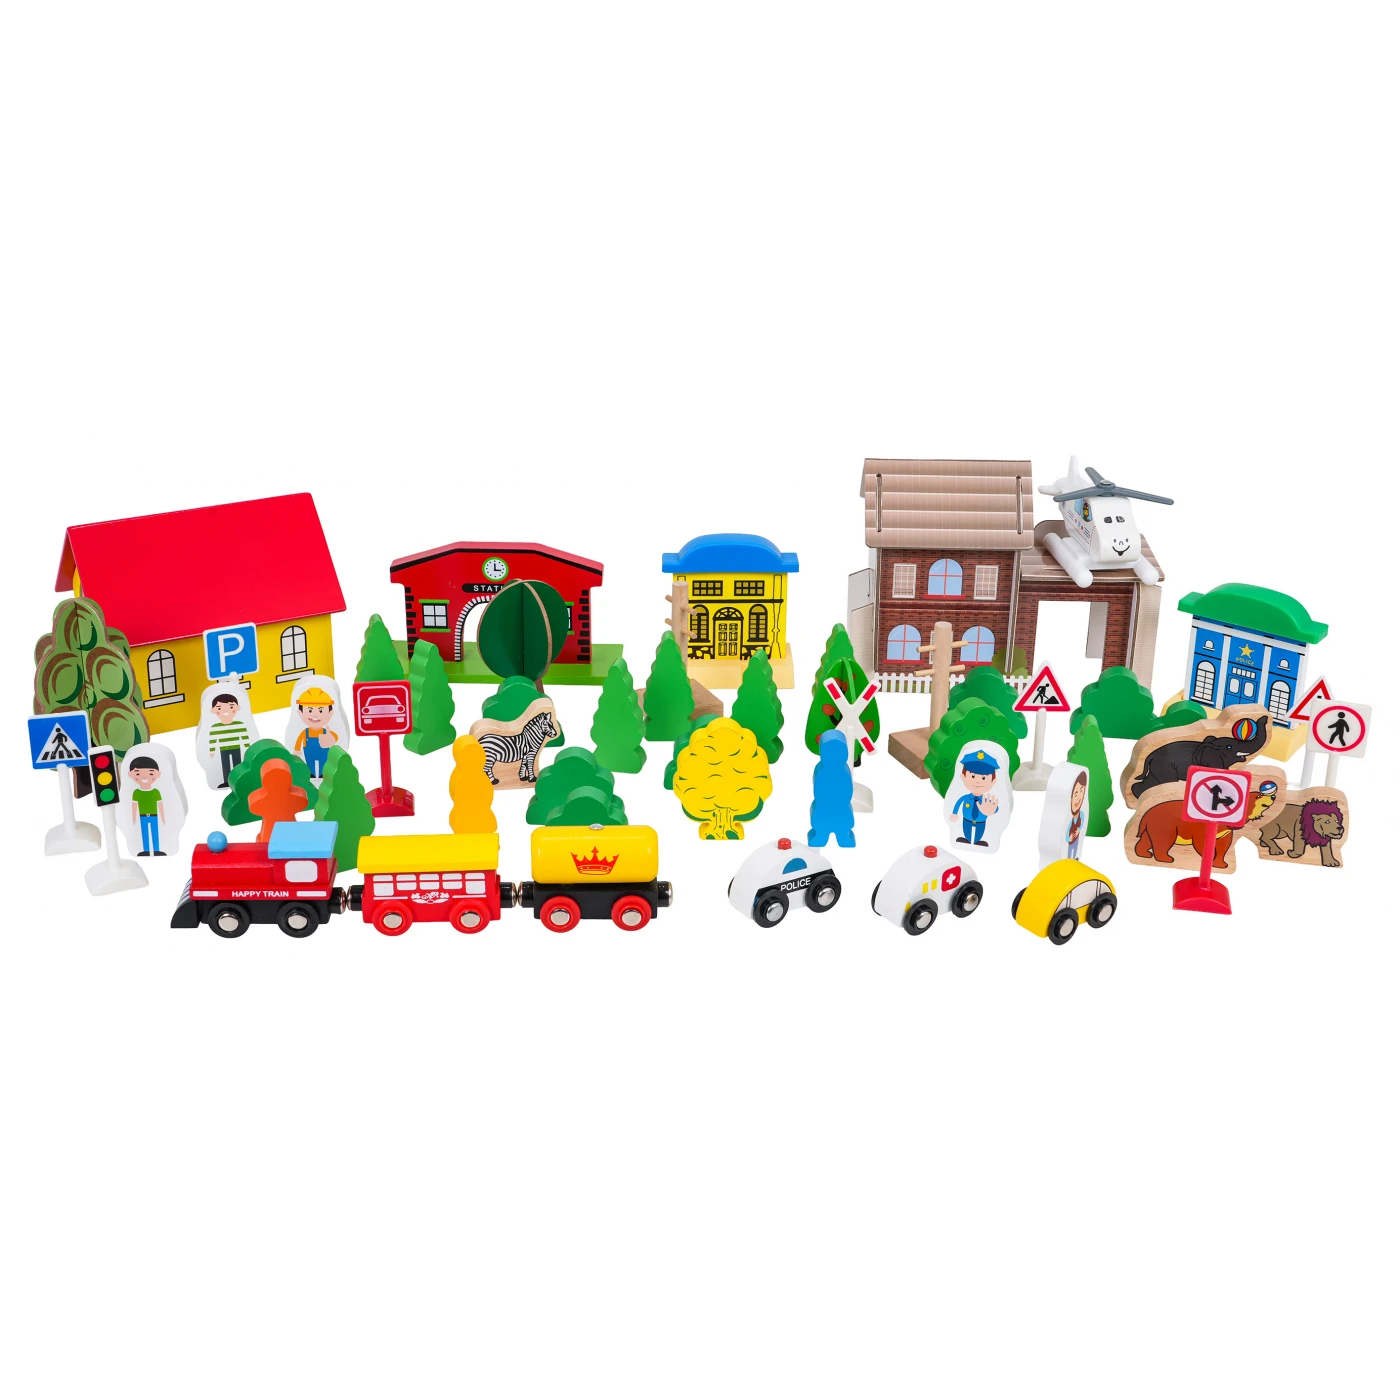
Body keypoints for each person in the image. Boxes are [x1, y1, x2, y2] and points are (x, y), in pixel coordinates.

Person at [951, 748, 1001, 847]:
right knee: (967, 829)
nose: (978, 781)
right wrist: (954, 813)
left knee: (980, 831)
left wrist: (992, 810)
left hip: (981, 821)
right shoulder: (965, 797)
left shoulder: (986, 800)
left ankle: (977, 841)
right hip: (967, 820)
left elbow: (994, 806)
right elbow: (958, 802)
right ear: (963, 777)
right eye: (973, 776)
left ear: (993, 781)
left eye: (983, 778)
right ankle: (967, 839)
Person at [292, 686, 341, 779]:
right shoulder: (305, 732)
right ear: (300, 713)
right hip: (309, 750)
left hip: (323, 751)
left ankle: (323, 773)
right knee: (310, 762)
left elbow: (335, 737)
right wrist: (297, 750)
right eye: (310, 710)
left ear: (330, 713)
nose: (315, 715)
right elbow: (299, 739)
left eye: (320, 710)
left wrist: (331, 739)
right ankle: (312, 774)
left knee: (324, 761)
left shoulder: (326, 731)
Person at [207, 692, 251, 788]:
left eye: (231, 707)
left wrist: (248, 747)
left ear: (237, 708)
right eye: (219, 708)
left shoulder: (239, 724)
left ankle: (239, 780)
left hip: (236, 748)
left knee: (237, 764)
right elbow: (213, 740)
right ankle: (226, 781)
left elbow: (244, 736)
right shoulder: (215, 727)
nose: (226, 710)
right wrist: (212, 751)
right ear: (213, 710)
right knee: (225, 765)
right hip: (223, 749)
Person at [128, 755, 167, 856]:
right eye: (138, 773)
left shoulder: (156, 792)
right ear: (131, 775)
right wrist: (133, 817)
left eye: (150, 773)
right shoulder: (136, 792)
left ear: (157, 774)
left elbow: (160, 804)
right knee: (144, 833)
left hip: (154, 815)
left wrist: (163, 816)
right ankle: (146, 850)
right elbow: (134, 806)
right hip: (142, 816)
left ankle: (156, 850)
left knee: (155, 832)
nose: (145, 777)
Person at [1064, 769, 1088, 860]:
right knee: (1070, 851)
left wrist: (1078, 830)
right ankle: (1069, 860)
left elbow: (1082, 823)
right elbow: (1067, 830)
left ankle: (1074, 859)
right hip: (1071, 840)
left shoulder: (1081, 814)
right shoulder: (1069, 819)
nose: (1078, 798)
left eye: (1081, 791)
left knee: (1075, 849)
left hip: (1077, 838)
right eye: (1076, 794)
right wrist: (1068, 838)